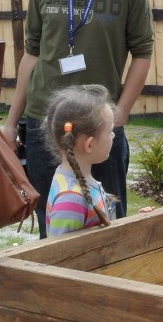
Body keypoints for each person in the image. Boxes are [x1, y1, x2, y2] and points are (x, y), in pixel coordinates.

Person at [2, 0, 154, 238]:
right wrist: (12, 122)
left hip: (98, 125)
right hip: (45, 123)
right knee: (51, 226)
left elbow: (143, 53)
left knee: (108, 225)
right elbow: (32, 53)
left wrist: (119, 115)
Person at [42, 84, 120, 235]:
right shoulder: (71, 199)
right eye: (110, 131)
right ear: (89, 144)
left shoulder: (78, 179)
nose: (113, 136)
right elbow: (59, 254)